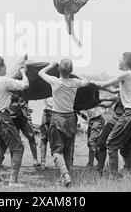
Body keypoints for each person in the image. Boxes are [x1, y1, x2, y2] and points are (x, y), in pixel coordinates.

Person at [92, 52, 131, 176]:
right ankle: (130, 173)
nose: (119, 60)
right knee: (127, 146)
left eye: (121, 58)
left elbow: (103, 84)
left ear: (125, 62)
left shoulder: (125, 74)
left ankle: (113, 177)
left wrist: (87, 82)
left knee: (111, 144)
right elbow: (116, 89)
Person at [38, 59, 91, 187]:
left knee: (56, 150)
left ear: (58, 70)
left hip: (57, 118)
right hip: (71, 119)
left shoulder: (55, 81)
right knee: (68, 149)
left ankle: (65, 174)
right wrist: (76, 74)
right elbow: (88, 82)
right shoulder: (75, 82)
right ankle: (67, 176)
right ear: (71, 71)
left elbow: (40, 73)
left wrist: (51, 64)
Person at [0, 56, 29, 187]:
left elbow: (8, 78)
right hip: (1, 118)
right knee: (18, 147)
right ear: (2, 68)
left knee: (2, 145)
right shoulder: (4, 81)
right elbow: (25, 85)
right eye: (5, 65)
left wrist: (19, 63)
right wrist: (24, 73)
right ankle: (13, 181)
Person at [9, 95, 41, 168]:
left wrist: (26, 108)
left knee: (31, 137)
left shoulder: (24, 90)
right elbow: (11, 108)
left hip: (22, 119)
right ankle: (13, 160)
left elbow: (25, 105)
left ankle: (35, 160)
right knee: (13, 140)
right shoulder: (10, 89)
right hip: (13, 119)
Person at [40, 97, 54, 170]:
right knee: (45, 139)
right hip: (51, 112)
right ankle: (43, 162)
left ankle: (43, 162)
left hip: (50, 112)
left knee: (44, 140)